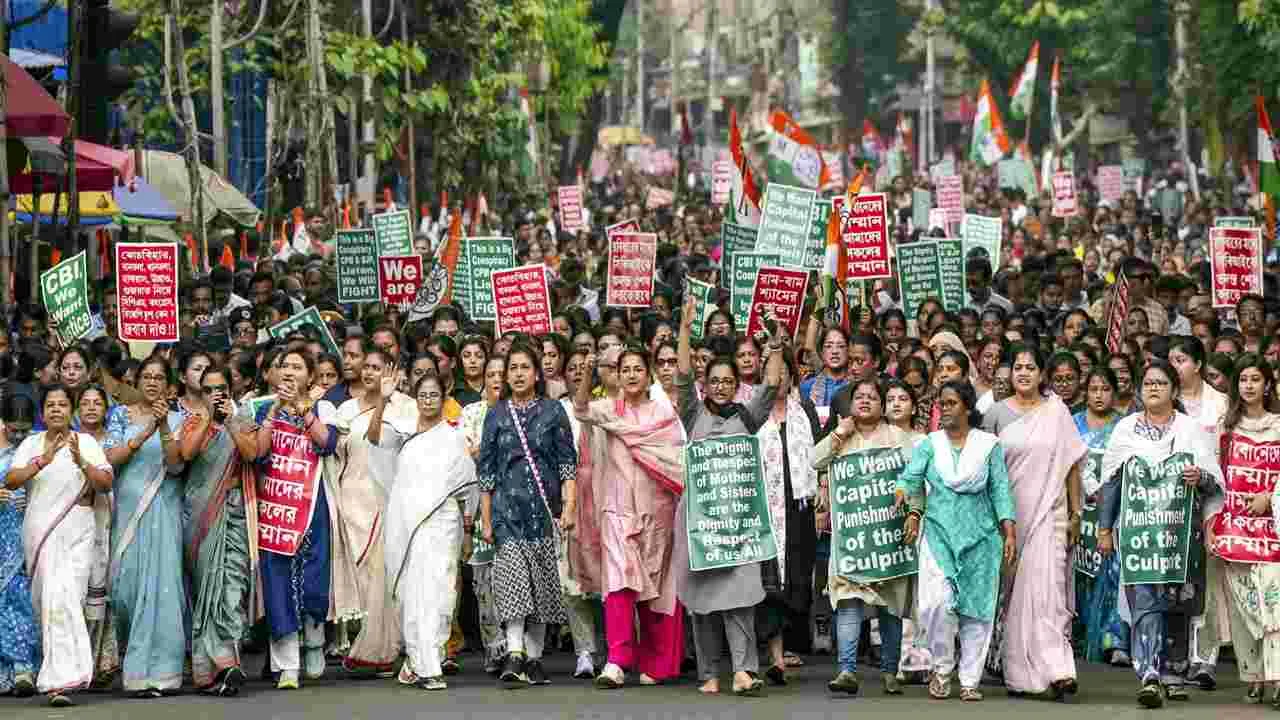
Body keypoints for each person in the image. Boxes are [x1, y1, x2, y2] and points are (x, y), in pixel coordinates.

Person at [671, 295, 784, 696]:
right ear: (706, 385)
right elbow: (682, 376)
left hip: (738, 527)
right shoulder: (692, 413)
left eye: (728, 382)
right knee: (701, 604)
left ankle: (744, 670)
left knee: (741, 599)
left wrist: (775, 346)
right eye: (714, 381)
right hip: (699, 525)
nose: (720, 387)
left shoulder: (746, 417)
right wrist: (685, 328)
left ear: (737, 386)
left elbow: (771, 385)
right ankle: (708, 674)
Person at [1098, 360, 1222, 708]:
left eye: (1161, 383)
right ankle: (1150, 673)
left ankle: (1173, 672)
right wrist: (1105, 529)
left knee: (1179, 602)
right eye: (1148, 383)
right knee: (1146, 603)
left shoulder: (1190, 430)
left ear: (1173, 389)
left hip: (1180, 537)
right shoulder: (1125, 431)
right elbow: (1111, 483)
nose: (1153, 388)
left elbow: (1214, 481)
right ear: (1140, 389)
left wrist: (1201, 478)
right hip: (1140, 537)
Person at [898, 379, 1016, 702]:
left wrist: (1009, 531)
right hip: (938, 535)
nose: (944, 409)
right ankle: (940, 668)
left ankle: (969, 679)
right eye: (941, 404)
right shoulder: (929, 444)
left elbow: (1000, 490)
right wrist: (901, 491)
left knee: (977, 612)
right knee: (937, 605)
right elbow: (911, 477)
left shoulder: (988, 445)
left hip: (981, 539)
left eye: (951, 403)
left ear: (967, 406)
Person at [575, 343, 685, 689]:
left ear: (648, 373)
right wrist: (587, 374)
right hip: (618, 510)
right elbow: (580, 409)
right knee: (619, 581)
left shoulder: (663, 414)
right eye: (626, 370)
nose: (633, 375)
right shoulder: (610, 409)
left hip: (657, 511)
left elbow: (677, 461)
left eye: (639, 369)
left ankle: (657, 662)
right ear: (618, 376)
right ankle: (617, 661)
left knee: (656, 587)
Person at [982, 343, 1086, 699]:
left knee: (1050, 592)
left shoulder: (1056, 412)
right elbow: (986, 471)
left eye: (1030, 367)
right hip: (1010, 517)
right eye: (1018, 367)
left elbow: (1071, 465)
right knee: (1016, 596)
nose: (1023, 373)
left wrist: (1076, 513)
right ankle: (1023, 673)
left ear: (1042, 374)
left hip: (1051, 514)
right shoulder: (995, 414)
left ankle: (1059, 669)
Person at [367, 372, 477, 691]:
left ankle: (421, 661)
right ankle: (426, 665)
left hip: (444, 525)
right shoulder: (404, 433)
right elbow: (373, 438)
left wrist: (469, 531)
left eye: (434, 395)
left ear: (444, 398)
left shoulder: (454, 437)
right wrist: (384, 400)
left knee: (441, 594)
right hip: (407, 525)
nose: (428, 400)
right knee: (413, 595)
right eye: (423, 395)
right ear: (416, 399)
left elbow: (465, 488)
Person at [5, 385, 114, 706]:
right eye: (50, 405)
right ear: (44, 411)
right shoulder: (30, 443)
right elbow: (12, 481)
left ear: (71, 410)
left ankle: (60, 682)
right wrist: (43, 460)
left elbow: (105, 483)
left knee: (64, 599)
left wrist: (82, 462)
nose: (56, 409)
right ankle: (61, 675)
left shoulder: (88, 443)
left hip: (78, 534)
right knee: (48, 603)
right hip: (40, 534)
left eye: (62, 404)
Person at [477, 340, 578, 687]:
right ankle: (515, 652)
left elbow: (567, 465)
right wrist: (487, 519)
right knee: (514, 581)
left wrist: (569, 508)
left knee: (542, 586)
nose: (518, 374)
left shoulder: (553, 411)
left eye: (524, 368)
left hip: (545, 512)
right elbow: (486, 471)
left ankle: (533, 658)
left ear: (537, 373)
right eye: (513, 368)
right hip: (508, 512)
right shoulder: (497, 413)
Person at [814, 378, 919, 696]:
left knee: (890, 607)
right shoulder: (841, 439)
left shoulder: (900, 438)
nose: (865, 400)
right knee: (848, 602)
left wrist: (914, 513)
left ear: (883, 405)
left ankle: (889, 671)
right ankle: (847, 671)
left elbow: (916, 480)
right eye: (859, 396)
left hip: (889, 539)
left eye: (872, 396)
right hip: (852, 541)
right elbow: (814, 461)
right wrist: (837, 434)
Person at [249, 350, 338, 690]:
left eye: (297, 367)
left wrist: (303, 409)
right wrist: (274, 411)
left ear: (310, 377)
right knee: (276, 579)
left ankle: (314, 641)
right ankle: (286, 663)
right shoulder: (261, 409)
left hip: (311, 503)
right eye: (284, 365)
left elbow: (327, 443)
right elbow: (257, 453)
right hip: (274, 507)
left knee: (313, 575)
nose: (289, 371)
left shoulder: (322, 407)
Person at [102, 356, 187, 697]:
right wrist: (144, 432)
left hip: (163, 511)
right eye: (145, 377)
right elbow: (109, 459)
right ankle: (133, 661)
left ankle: (159, 674)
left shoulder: (181, 420)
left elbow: (177, 466)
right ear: (136, 383)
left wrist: (163, 426)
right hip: (128, 513)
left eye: (158, 377)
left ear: (168, 385)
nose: (151, 382)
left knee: (163, 591)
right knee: (127, 590)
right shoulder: (121, 416)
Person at [329, 346, 416, 670]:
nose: (368, 373)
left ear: (391, 372)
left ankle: (381, 648)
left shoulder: (405, 408)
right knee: (359, 576)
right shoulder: (347, 409)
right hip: (348, 497)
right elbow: (333, 453)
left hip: (385, 497)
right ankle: (362, 640)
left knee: (382, 576)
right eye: (365, 366)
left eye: (377, 368)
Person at [1209, 355, 1280, 705]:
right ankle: (1253, 675)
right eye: (1243, 380)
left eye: (1256, 379)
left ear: (1268, 384)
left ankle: (1277, 676)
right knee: (1244, 608)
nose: (1249, 386)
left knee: (1274, 605)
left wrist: (1271, 496)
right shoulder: (1226, 427)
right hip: (1234, 531)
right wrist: (1211, 526)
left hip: (1273, 531)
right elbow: (1215, 478)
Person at [181, 365, 255, 696]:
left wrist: (231, 421)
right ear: (201, 392)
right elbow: (186, 454)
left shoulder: (242, 417)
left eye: (221, 387)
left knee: (231, 589)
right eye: (209, 389)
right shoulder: (194, 422)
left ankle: (226, 663)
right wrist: (209, 417)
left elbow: (252, 453)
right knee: (206, 594)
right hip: (200, 518)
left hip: (234, 512)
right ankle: (217, 669)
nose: (216, 393)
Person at [754, 347, 819, 685]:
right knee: (769, 583)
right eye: (772, 374)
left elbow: (818, 458)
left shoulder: (804, 411)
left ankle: (788, 644)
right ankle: (775, 656)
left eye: (784, 374)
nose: (778, 380)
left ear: (793, 377)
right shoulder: (752, 415)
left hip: (799, 511)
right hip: (764, 511)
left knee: (795, 581)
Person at [1072, 368, 1128, 666]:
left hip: (1113, 512)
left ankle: (1112, 638)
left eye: (1105, 389)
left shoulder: (1125, 425)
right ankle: (1077, 634)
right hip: (1080, 509)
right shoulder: (1072, 423)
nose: (1098, 395)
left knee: (1112, 573)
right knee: (1079, 573)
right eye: (1093, 389)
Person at [459, 354, 508, 675]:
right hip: (479, 509)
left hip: (513, 506)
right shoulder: (471, 413)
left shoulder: (519, 412)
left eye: (501, 373)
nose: (495, 378)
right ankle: (494, 646)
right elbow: (467, 457)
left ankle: (513, 644)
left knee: (511, 578)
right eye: (491, 373)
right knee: (484, 582)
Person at [0, 395, 37, 697]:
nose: (20, 436)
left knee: (20, 599)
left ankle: (23, 667)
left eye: (26, 430)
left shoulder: (36, 445)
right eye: (15, 430)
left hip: (24, 532)